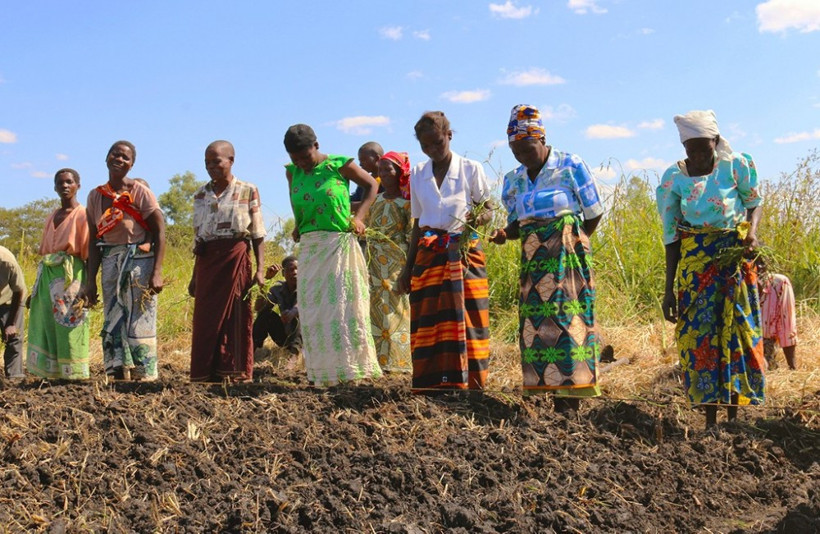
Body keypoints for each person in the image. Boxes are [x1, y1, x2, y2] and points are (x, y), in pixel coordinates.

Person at [489, 104, 605, 413]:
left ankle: (570, 401)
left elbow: (593, 213)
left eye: (528, 149)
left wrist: (572, 240)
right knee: (537, 326)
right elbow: (516, 223)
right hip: (534, 260)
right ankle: (543, 395)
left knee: (569, 321)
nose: (523, 157)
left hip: (568, 257)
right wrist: (504, 233)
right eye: (516, 151)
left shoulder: (570, 165)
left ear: (542, 140)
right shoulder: (514, 180)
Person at [656, 110, 764, 428]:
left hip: (732, 259)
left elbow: (754, 202)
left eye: (704, 147)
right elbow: (671, 236)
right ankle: (709, 419)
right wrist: (668, 291)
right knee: (700, 337)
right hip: (695, 265)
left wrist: (752, 233)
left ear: (715, 142)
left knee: (735, 334)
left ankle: (733, 416)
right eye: (692, 149)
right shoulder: (673, 179)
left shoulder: (736, 165)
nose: (699, 155)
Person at [397, 111, 494, 393]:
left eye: (437, 143)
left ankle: (471, 385)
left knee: (468, 317)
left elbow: (488, 208)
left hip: (463, 254)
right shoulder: (417, 174)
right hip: (429, 255)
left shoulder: (470, 169)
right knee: (430, 321)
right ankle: (432, 385)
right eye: (425, 146)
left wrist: (472, 222)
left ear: (449, 136)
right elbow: (418, 222)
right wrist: (408, 267)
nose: (432, 151)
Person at [284, 123, 382, 386]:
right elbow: (298, 201)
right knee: (315, 311)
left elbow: (372, 185)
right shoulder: (292, 172)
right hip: (311, 247)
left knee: (345, 308)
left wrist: (359, 217)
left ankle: (352, 373)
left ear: (316, 146)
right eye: (296, 159)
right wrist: (298, 223)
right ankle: (322, 373)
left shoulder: (339, 165)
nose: (302, 163)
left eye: (306, 157)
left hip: (338, 245)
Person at [83, 140, 166, 381]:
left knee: (140, 317)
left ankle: (145, 375)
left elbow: (159, 231)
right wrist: (90, 281)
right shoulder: (95, 196)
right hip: (110, 261)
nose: (119, 159)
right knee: (112, 317)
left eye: (125, 157)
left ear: (132, 164)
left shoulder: (140, 192)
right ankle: (116, 371)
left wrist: (157, 272)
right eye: (115, 154)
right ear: (107, 158)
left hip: (139, 262)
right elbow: (93, 240)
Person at [188, 140, 266, 382]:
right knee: (205, 320)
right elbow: (198, 238)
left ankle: (234, 373)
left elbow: (258, 233)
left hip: (235, 258)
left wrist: (261, 269)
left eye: (217, 161)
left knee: (235, 317)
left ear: (231, 161)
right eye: (207, 162)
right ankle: (204, 373)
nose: (211, 166)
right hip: (207, 261)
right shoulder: (201, 194)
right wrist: (194, 276)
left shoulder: (247, 190)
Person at [27, 168, 90, 379]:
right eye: (60, 183)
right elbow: (45, 253)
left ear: (77, 186)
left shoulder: (83, 214)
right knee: (46, 322)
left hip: (71, 275)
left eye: (69, 182)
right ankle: (51, 373)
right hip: (48, 275)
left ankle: (74, 375)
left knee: (70, 323)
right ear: (54, 187)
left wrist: (89, 286)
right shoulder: (52, 216)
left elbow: (89, 254)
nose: (64, 186)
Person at [366, 151, 412, 373]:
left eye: (388, 169)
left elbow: (412, 237)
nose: (383, 174)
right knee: (374, 310)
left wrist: (408, 270)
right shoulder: (374, 201)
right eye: (381, 169)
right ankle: (376, 362)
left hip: (396, 263)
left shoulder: (407, 204)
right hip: (374, 262)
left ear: (400, 172)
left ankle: (398, 363)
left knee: (396, 308)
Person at [253, 256, 302, 357]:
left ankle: (293, 356)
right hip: (285, 336)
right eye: (291, 270)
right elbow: (258, 308)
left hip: (306, 338)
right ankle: (250, 349)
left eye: (298, 269)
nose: (295, 272)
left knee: (302, 316)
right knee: (265, 314)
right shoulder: (278, 289)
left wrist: (293, 312)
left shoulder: (307, 287)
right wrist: (267, 280)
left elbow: (301, 304)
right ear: (283, 273)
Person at [758, 264, 798, 370]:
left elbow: (787, 325)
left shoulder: (779, 283)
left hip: (765, 347)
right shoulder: (732, 285)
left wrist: (792, 368)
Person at [0, 245, 26, 380]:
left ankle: (14, 378)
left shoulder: (6, 261)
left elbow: (18, 291)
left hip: (11, 299)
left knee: (13, 338)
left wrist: (11, 323)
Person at [350, 141, 384, 206]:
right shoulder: (364, 182)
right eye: (360, 161)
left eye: (363, 160)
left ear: (377, 158)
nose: (360, 164)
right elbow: (355, 199)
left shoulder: (387, 181)